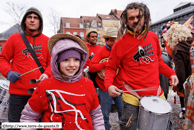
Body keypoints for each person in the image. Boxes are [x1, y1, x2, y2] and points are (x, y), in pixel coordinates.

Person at [104, 2, 179, 130]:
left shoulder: (153, 37)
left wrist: (171, 73)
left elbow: (158, 62)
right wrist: (109, 85)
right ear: (125, 21)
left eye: (139, 16)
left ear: (145, 17)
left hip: (156, 93)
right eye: (131, 18)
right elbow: (111, 68)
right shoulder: (120, 43)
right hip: (132, 96)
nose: (136, 20)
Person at [20, 33, 105, 130]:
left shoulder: (88, 84)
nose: (72, 65)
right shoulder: (44, 86)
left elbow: (96, 115)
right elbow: (29, 117)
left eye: (76, 59)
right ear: (57, 61)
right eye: (66, 60)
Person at [0, 7, 51, 123]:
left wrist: (47, 74)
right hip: (17, 93)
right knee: (15, 124)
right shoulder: (14, 38)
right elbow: (2, 58)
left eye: (35, 18)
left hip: (40, 92)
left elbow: (52, 64)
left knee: (39, 125)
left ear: (40, 22)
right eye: (29, 17)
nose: (32, 20)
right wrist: (8, 72)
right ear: (25, 21)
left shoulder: (47, 41)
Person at [89, 28, 123, 130]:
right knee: (105, 115)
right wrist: (105, 64)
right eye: (112, 40)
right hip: (104, 88)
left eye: (116, 40)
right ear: (106, 40)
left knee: (123, 114)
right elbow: (91, 67)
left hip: (119, 86)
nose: (114, 42)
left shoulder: (120, 50)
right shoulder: (101, 51)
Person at [167, 24, 194, 119]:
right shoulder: (193, 43)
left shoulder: (178, 49)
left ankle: (184, 112)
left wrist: (179, 87)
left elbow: (180, 72)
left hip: (189, 83)